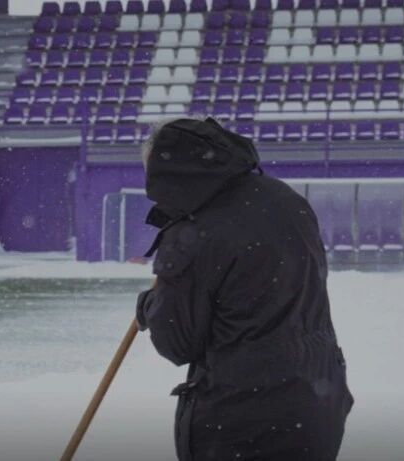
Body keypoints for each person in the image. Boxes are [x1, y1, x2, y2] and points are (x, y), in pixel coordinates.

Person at [135, 117, 353, 461]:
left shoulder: (192, 232)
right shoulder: (283, 197)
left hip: (243, 419)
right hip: (317, 398)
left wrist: (151, 306)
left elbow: (177, 342)